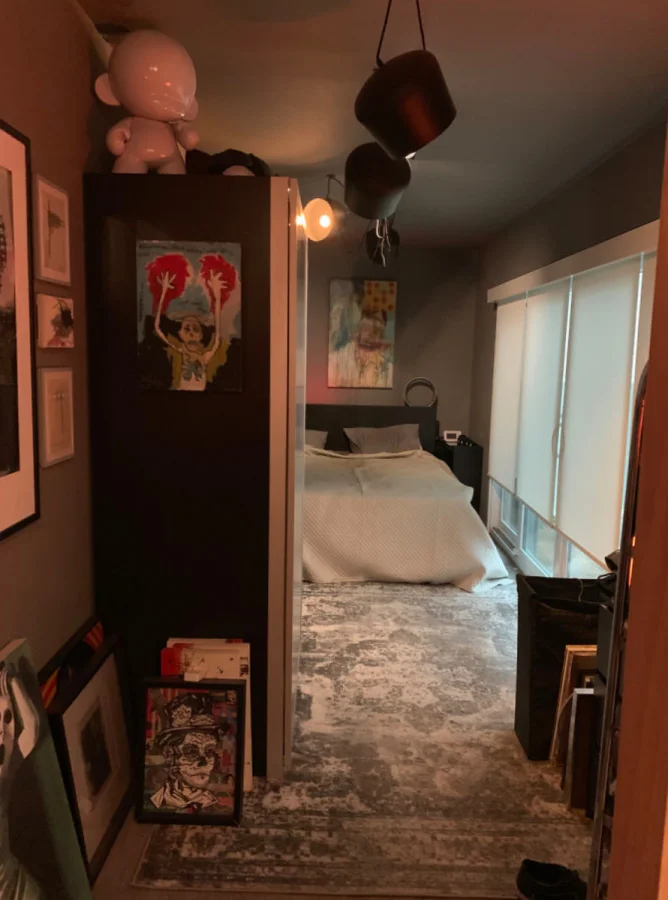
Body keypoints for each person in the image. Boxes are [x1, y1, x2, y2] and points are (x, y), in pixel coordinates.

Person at [149, 693, 225, 812]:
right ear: (169, 754)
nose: (203, 762)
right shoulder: (155, 802)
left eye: (209, 751)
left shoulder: (220, 808)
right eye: (191, 752)